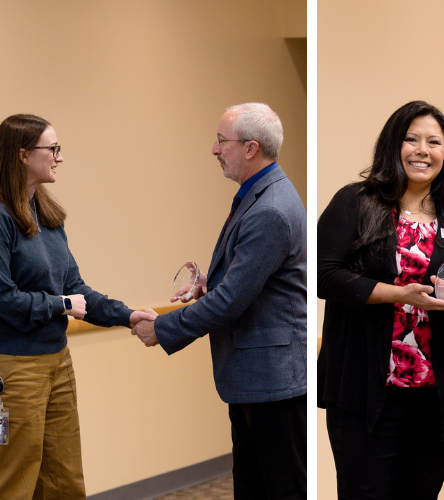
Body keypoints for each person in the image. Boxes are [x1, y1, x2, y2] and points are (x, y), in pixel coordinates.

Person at [131, 103, 307, 498]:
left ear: (250, 148)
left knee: (282, 488)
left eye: (221, 141)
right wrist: (212, 282)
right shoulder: (260, 194)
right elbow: (253, 281)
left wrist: (162, 328)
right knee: (251, 486)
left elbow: (231, 302)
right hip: (256, 379)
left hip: (272, 383)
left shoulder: (271, 209)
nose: (214, 149)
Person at [0, 113, 157, 498]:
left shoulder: (46, 212)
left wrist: (126, 315)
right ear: (24, 155)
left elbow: (75, 288)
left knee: (64, 482)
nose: (59, 157)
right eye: (53, 149)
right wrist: (58, 305)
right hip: (12, 371)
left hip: (57, 362)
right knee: (9, 482)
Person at [316, 100, 444, 499]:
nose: (422, 150)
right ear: (394, 145)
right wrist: (400, 295)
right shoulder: (356, 203)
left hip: (433, 400)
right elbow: (324, 275)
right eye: (411, 139)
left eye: (434, 142)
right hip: (364, 395)